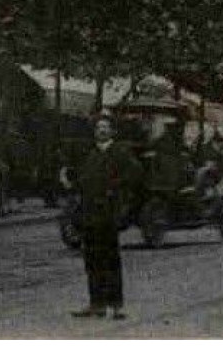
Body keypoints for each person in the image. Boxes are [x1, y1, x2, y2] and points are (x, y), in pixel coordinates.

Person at [73, 113, 136, 320]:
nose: (101, 130)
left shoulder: (120, 153)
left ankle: (117, 305)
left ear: (112, 131)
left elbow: (132, 178)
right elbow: (82, 181)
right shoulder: (90, 155)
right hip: (90, 214)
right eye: (98, 127)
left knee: (111, 260)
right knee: (91, 260)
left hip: (109, 214)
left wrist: (117, 197)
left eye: (105, 127)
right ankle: (96, 304)